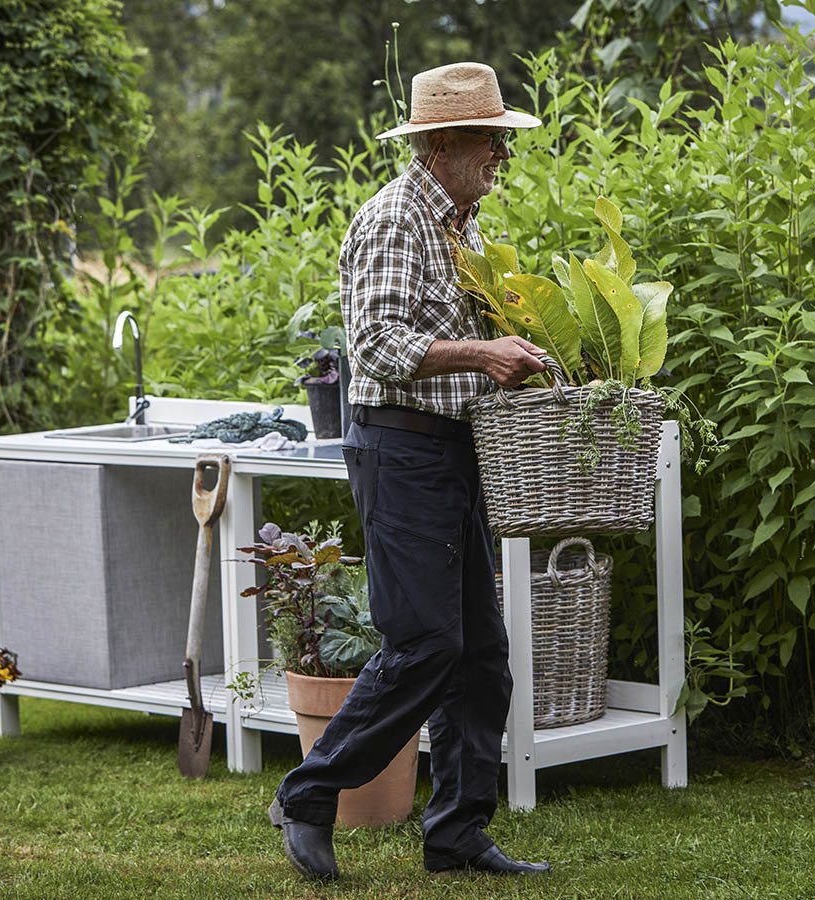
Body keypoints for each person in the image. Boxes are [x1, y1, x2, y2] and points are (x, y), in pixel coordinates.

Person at [267, 61, 551, 881]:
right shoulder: (397, 218)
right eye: (493, 141)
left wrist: (525, 352)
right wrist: (481, 351)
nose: (502, 155)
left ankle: (458, 833)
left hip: (453, 447)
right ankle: (311, 792)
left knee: (481, 654)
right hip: (401, 449)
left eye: (503, 141)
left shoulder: (463, 228)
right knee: (425, 641)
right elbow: (380, 350)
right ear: (445, 143)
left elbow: (461, 348)